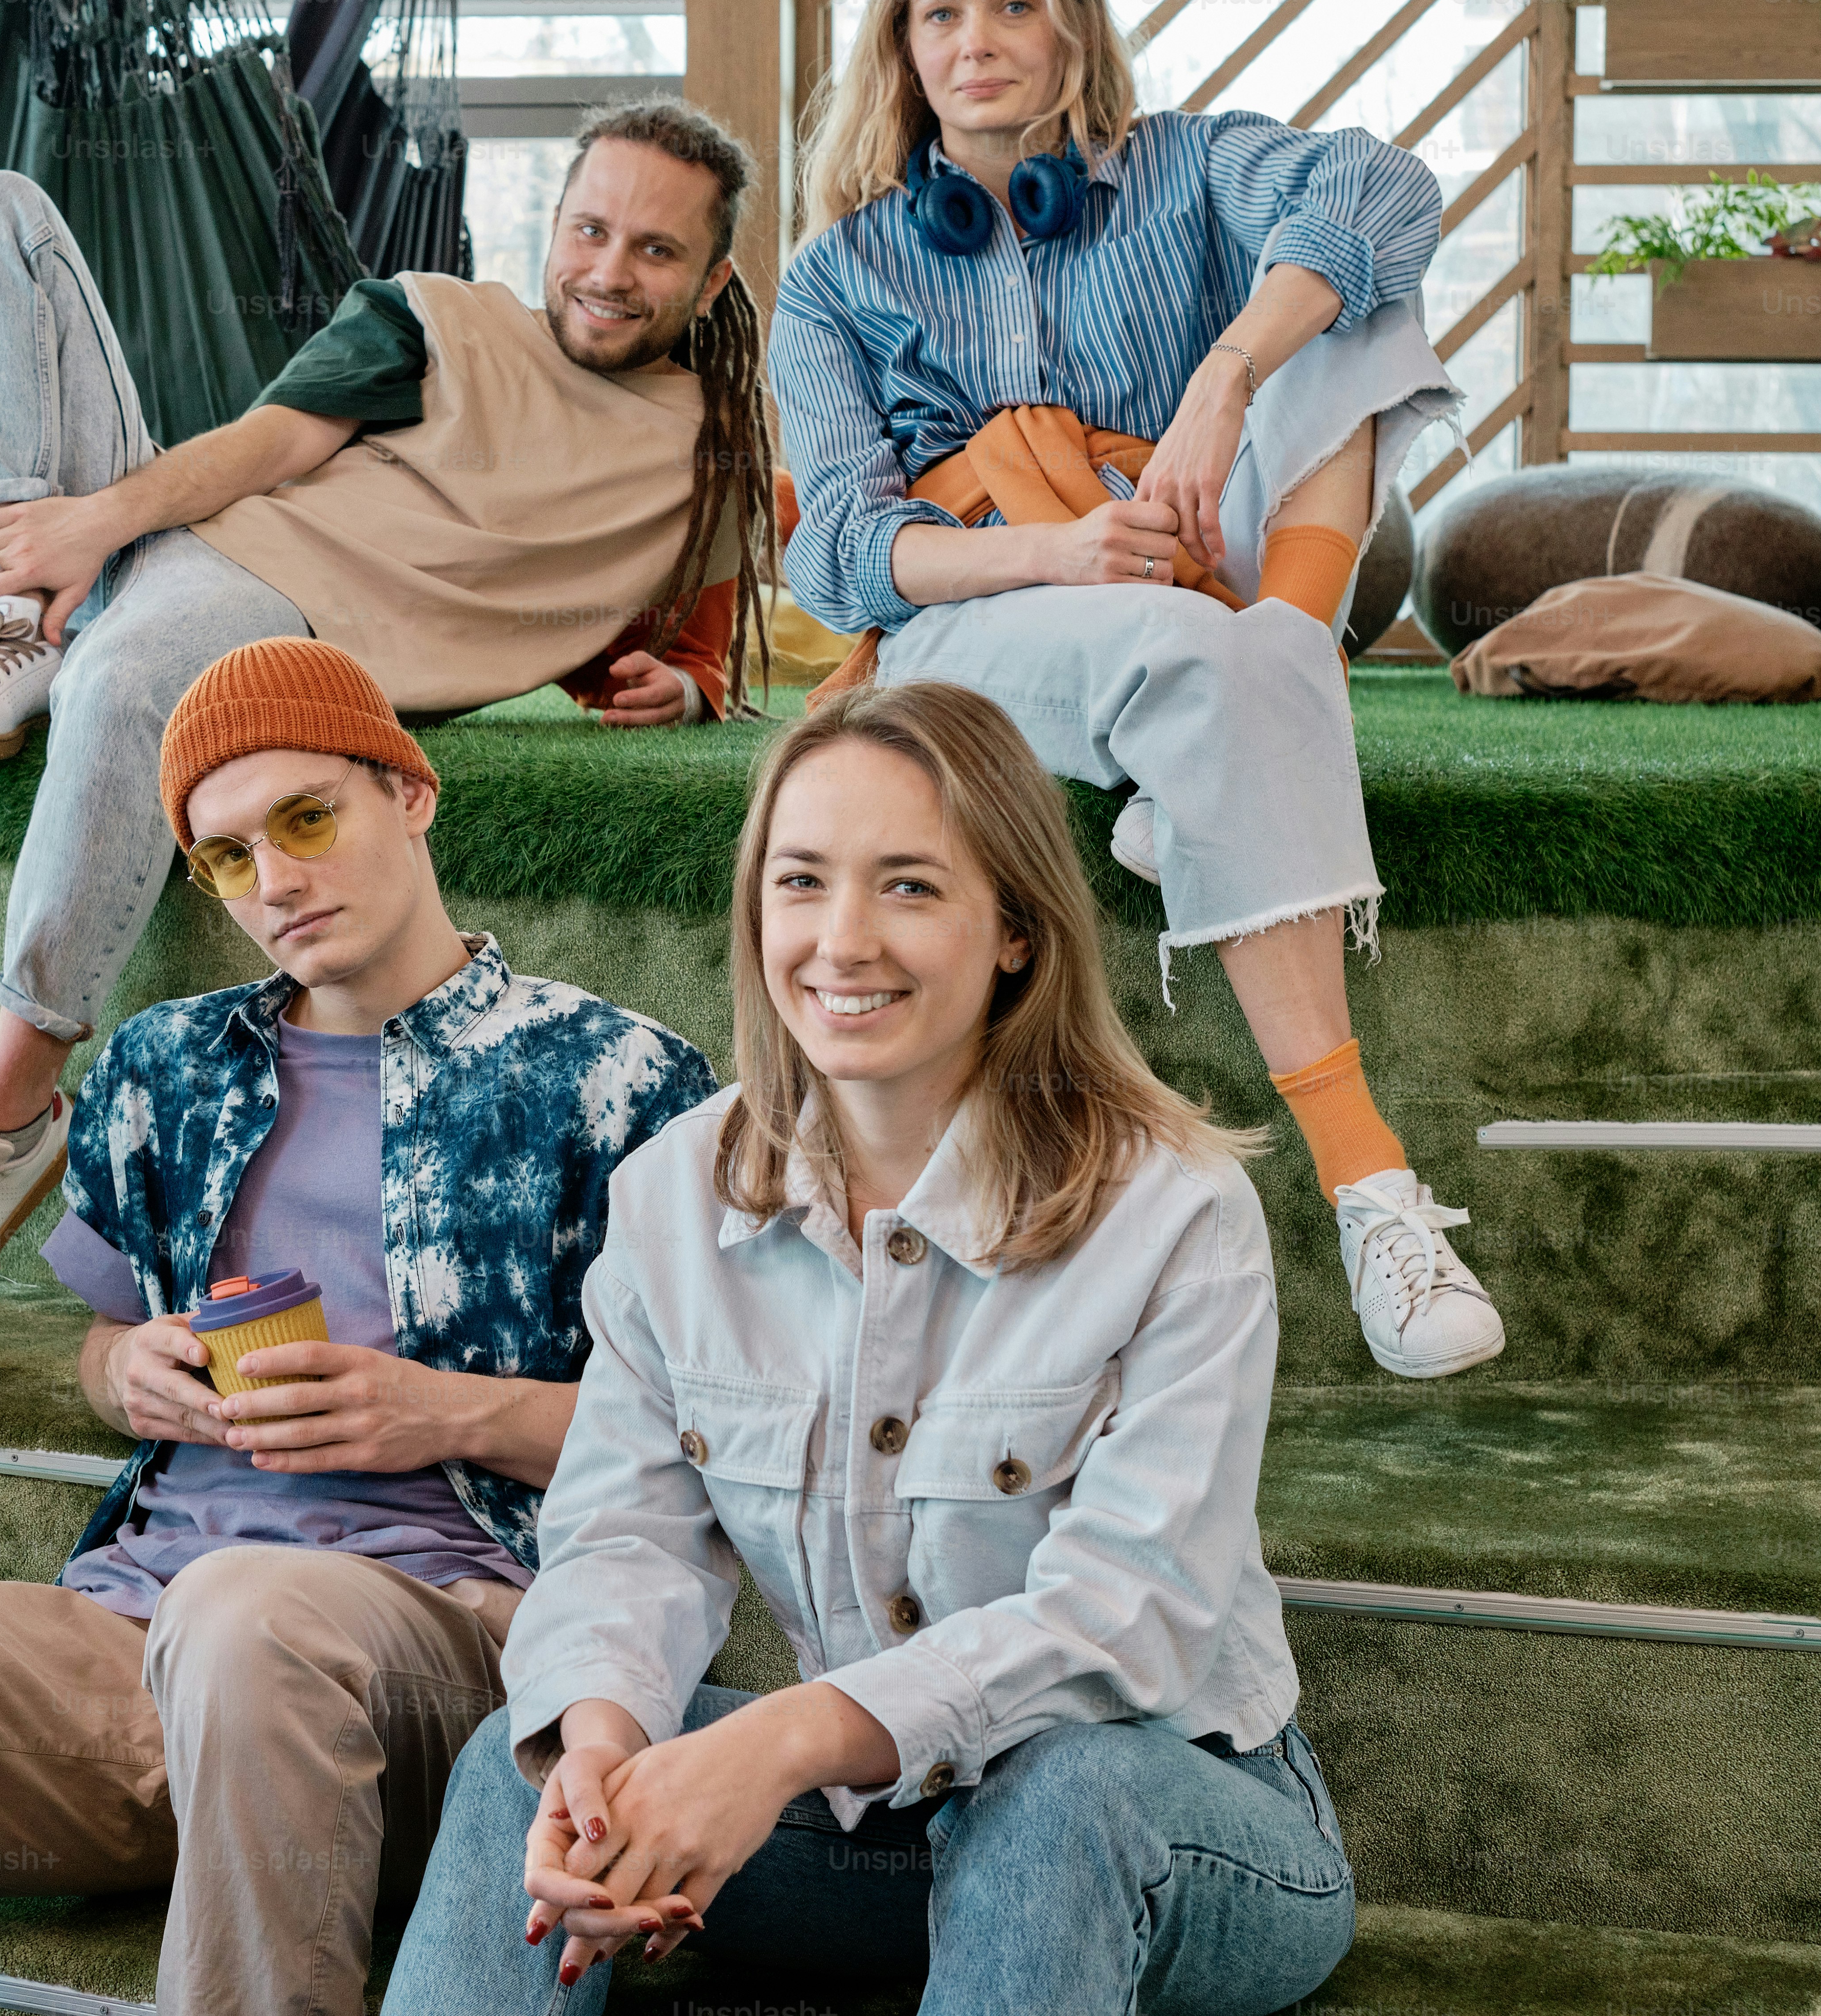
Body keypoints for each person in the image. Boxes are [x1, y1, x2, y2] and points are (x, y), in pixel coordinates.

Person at [0, 641, 718, 2016]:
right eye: (227, 858)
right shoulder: (164, 1067)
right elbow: (96, 1348)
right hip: (139, 1635)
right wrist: (138, 1371)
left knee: (250, 1618)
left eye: (307, 820)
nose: (276, 883)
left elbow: (704, 1438)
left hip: (445, 1656)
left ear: (409, 792)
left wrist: (440, 1410)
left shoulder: (618, 1078)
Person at [386, 681, 1354, 2014]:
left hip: (1175, 1823)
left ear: (1016, 928)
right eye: (803, 882)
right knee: (534, 1764)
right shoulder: (674, 1195)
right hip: (869, 1838)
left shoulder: (1176, 1211)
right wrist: (607, 1749)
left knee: (1060, 1791)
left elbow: (1128, 1615)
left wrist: (785, 1736)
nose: (842, 941)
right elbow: (624, 1536)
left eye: (909, 886)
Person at [0, 95, 780, 1289]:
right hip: (205, 547)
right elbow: (271, 444)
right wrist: (94, 524)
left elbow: (649, 611)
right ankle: (19, 619)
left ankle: (8, 1108)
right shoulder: (443, 321)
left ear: (714, 280)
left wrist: (688, 673)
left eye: (655, 249)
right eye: (588, 230)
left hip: (282, 623)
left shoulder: (715, 457)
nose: (607, 272)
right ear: (555, 224)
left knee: (125, 678)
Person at [767, 0, 1501, 1379]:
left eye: (1015, 3)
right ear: (903, 52)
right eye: (941, 14)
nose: (978, 40)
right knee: (1180, 647)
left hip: (1203, 574)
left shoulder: (1183, 171)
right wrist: (1058, 551)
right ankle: (1373, 1188)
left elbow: (1390, 189)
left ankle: (1263, 678)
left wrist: (1226, 376)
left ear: (1072, 27)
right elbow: (841, 547)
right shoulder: (835, 277)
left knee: (1352, 290)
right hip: (984, 609)